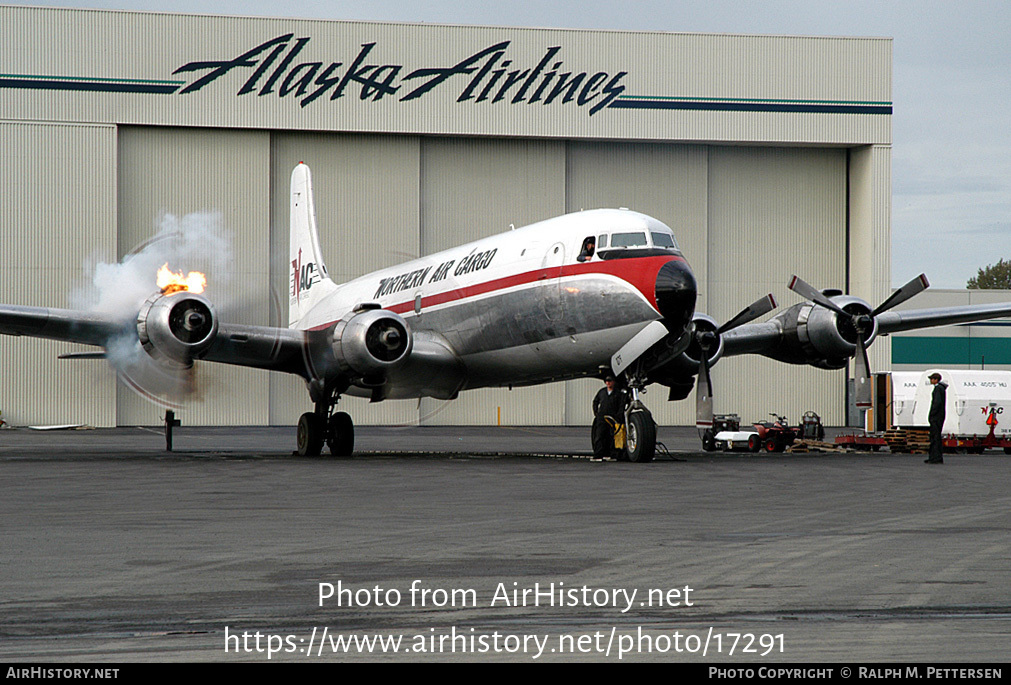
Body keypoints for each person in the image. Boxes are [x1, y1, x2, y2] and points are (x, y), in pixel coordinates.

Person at [591, 375, 625, 460]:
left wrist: (619, 416)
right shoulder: (602, 392)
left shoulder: (617, 393)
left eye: (610, 381)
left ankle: (612, 455)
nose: (608, 383)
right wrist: (596, 413)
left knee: (612, 437)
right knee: (599, 436)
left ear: (613, 382)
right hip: (602, 417)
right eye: (607, 381)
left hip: (612, 418)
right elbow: (595, 401)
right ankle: (598, 455)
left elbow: (621, 405)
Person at [926, 372, 946, 464]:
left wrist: (931, 414)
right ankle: (936, 457)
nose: (930, 380)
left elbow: (936, 403)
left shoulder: (938, 389)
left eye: (932, 379)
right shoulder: (942, 389)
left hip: (936, 417)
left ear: (936, 380)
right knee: (936, 437)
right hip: (940, 416)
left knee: (935, 437)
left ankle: (935, 457)